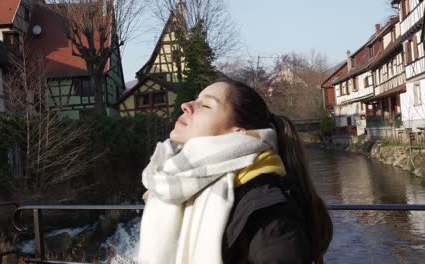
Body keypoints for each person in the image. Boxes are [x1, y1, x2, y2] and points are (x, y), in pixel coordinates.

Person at [138, 79, 333, 264]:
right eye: (196, 100)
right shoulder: (168, 185)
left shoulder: (265, 206)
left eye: (206, 106)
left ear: (237, 132)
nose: (186, 106)